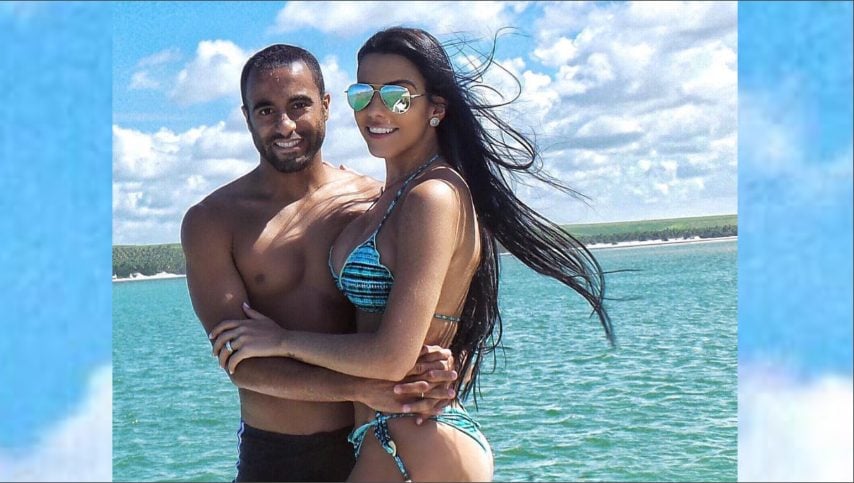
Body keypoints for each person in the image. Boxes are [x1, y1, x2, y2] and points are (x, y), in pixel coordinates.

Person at [210, 27, 615, 481]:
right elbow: (436, 313)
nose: (376, 110)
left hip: (414, 438)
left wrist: (284, 340)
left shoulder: (430, 196)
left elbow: (395, 354)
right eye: (364, 95)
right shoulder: (381, 201)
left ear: (435, 107)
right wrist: (451, 358)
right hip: (385, 436)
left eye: (397, 97)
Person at [181, 44, 458, 482]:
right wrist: (360, 388)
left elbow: (442, 297)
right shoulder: (213, 222)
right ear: (246, 116)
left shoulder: (372, 202)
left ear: (326, 106)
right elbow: (243, 362)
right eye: (266, 110)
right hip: (278, 457)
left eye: (299, 105)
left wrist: (452, 362)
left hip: (379, 446)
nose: (284, 125)